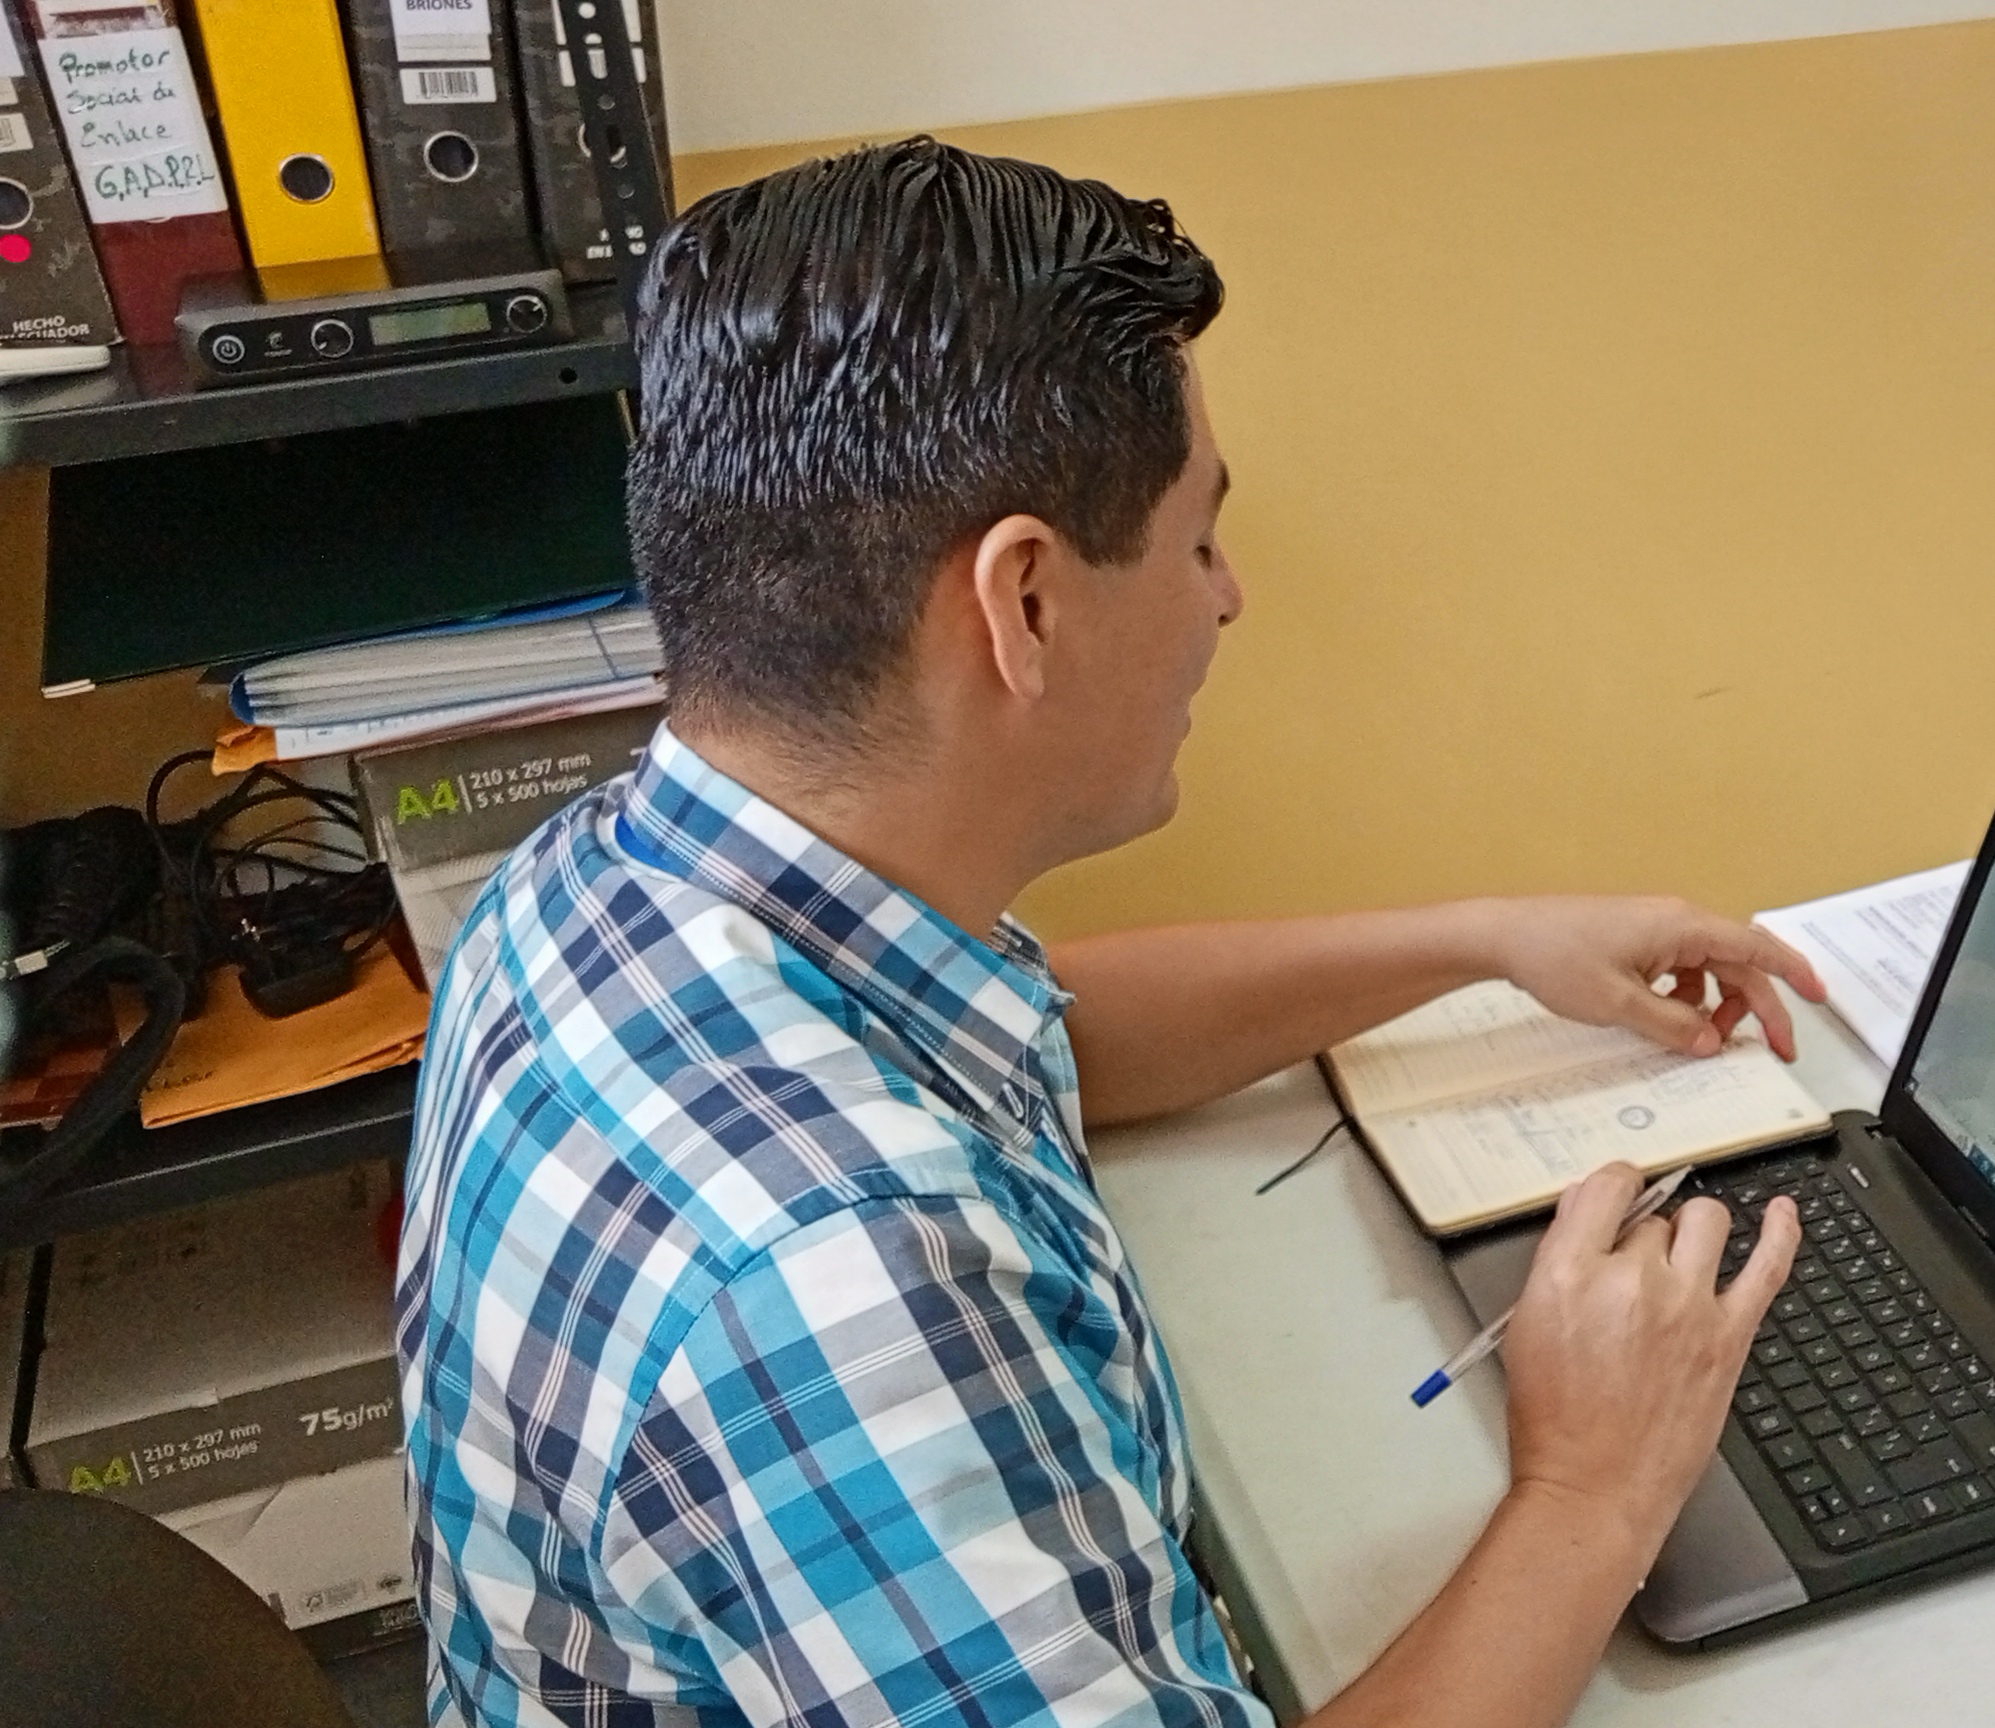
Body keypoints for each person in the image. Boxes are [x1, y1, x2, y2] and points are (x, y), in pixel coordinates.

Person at [396, 138, 1819, 1728]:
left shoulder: (600, 880)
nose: (1228, 599)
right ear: (1025, 603)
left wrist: (1488, 938)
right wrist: (1596, 1487)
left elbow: (1042, 1028)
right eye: (1199, 539)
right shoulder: (836, 1291)